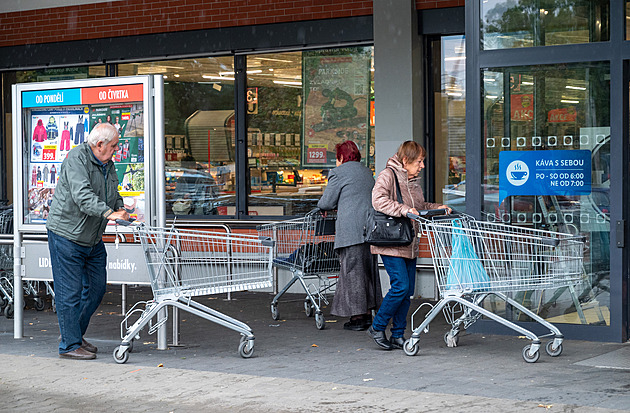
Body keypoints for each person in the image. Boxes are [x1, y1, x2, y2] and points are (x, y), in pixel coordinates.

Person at [46, 123, 129, 360]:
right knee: (69, 293)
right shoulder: (76, 159)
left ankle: (74, 334)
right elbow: (83, 196)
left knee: (96, 289)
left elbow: (111, 191)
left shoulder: (107, 163)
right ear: (99, 144)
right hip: (67, 235)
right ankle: (69, 345)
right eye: (113, 145)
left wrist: (120, 207)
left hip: (92, 238)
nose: (116, 149)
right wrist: (109, 214)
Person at [367, 140, 450, 350]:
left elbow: (419, 207)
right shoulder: (388, 175)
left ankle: (397, 334)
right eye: (420, 161)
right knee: (400, 286)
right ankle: (377, 326)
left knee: (407, 291)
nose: (422, 166)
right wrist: (403, 210)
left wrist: (437, 207)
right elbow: (378, 200)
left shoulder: (413, 181)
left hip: (409, 242)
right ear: (406, 160)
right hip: (392, 242)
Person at [317, 141, 381, 331]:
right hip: (370, 228)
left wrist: (324, 207)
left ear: (341, 157)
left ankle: (358, 317)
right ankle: (368, 313)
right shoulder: (367, 172)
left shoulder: (338, 172)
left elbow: (326, 201)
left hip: (350, 230)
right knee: (368, 272)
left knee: (352, 272)